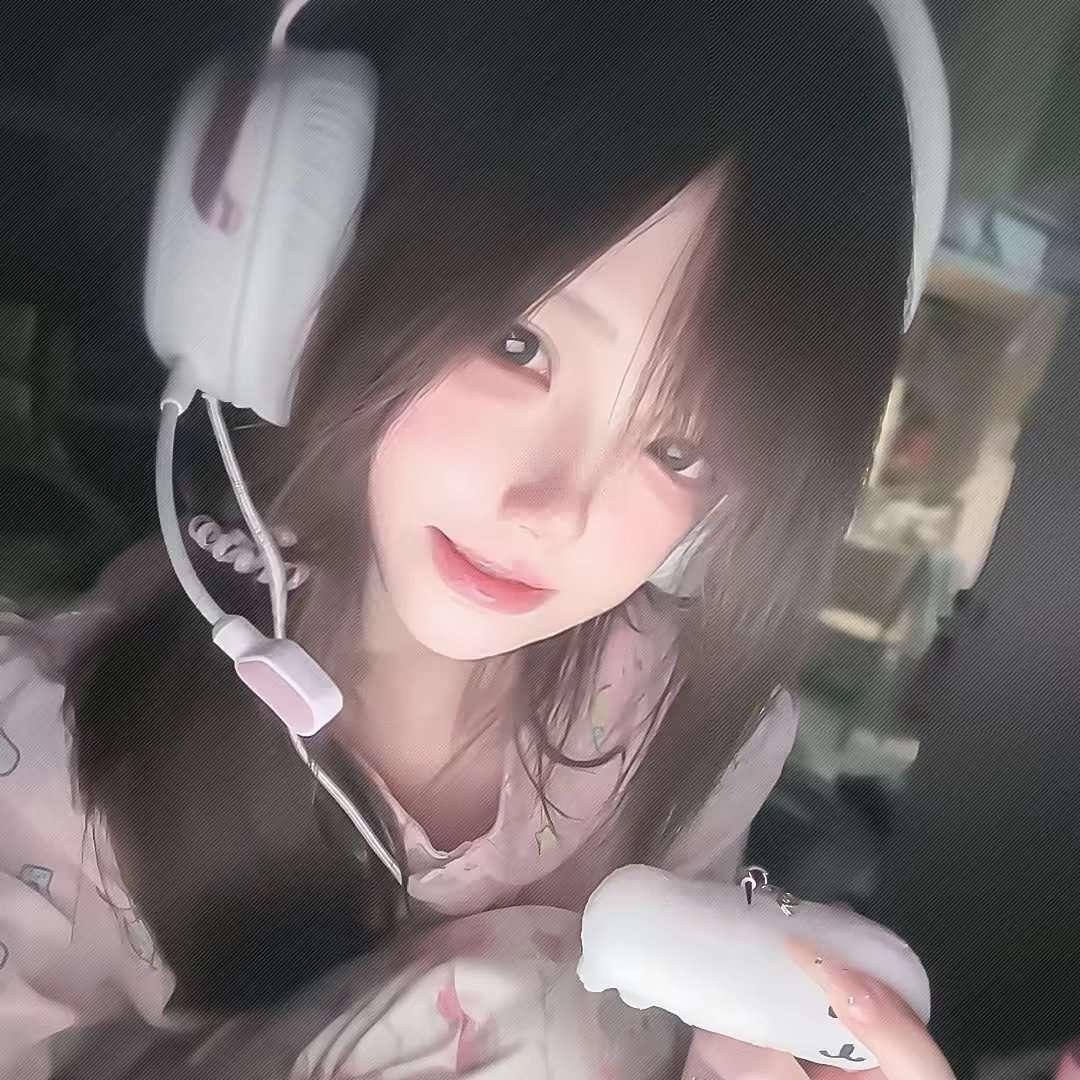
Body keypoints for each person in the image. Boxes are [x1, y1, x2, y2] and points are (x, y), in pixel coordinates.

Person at [0, 0, 952, 1076]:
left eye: (679, 449)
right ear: (313, 264)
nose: (555, 508)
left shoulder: (677, 730)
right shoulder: (54, 763)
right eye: (520, 343)